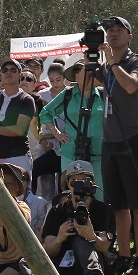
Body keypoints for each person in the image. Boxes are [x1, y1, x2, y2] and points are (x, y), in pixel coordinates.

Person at [92, 16, 138, 275]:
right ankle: (124, 255)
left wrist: (113, 63)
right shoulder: (105, 66)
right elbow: (81, 81)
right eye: (110, 31)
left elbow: (130, 85)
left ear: (129, 36)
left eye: (119, 30)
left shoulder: (135, 61)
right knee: (118, 205)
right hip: (110, 141)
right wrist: (90, 58)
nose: (113, 34)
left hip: (132, 140)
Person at [36, 161, 113, 275]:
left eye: (84, 181)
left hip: (90, 266)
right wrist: (59, 238)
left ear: (92, 183)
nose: (79, 187)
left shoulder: (104, 210)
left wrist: (91, 236)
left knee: (80, 241)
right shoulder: (56, 211)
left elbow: (106, 246)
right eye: (74, 182)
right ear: (67, 183)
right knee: (26, 261)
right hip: (62, 269)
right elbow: (48, 250)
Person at [38, 59, 105, 196]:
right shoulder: (67, 94)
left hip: (98, 153)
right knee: (72, 194)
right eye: (78, 71)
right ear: (74, 76)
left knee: (98, 195)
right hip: (71, 152)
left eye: (86, 71)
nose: (82, 74)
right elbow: (45, 113)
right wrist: (56, 133)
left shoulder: (103, 94)